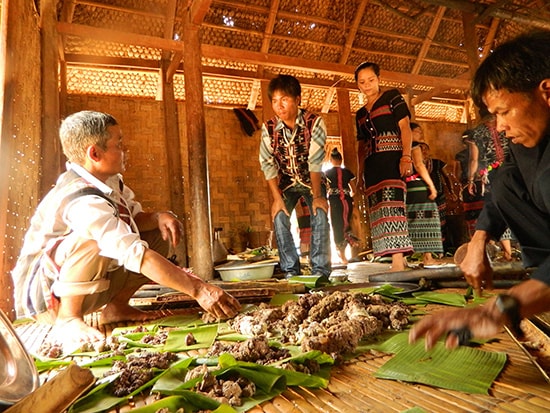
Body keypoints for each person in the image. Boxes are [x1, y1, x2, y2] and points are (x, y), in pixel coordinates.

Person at [11, 110, 241, 350]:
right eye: (118, 144)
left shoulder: (109, 181)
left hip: (87, 284)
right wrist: (198, 289)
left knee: (156, 235)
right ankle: (69, 318)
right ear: (95, 153)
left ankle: (116, 307)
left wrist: (158, 217)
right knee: (94, 240)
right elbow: (133, 253)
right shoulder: (82, 200)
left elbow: (132, 220)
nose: (125, 149)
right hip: (47, 298)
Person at [409, 30, 550, 350]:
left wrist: (502, 307)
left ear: (546, 92)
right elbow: (505, 178)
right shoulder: (529, 140)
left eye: (503, 111)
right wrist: (478, 240)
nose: (498, 127)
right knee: (502, 180)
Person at [259, 74, 331, 278]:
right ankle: (291, 271)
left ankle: (320, 271)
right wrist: (276, 199)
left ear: (297, 99)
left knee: (320, 214)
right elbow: (267, 164)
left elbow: (315, 162)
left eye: (284, 99)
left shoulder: (314, 122)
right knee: (279, 216)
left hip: (312, 182)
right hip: (286, 185)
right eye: (274, 101)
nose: (279, 106)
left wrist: (317, 196)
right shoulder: (269, 128)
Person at [355, 62, 414, 272]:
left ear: (379, 79)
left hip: (392, 160)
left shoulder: (392, 97)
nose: (367, 85)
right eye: (362, 82)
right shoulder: (360, 114)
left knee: (393, 204)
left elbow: (405, 127)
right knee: (379, 210)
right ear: (358, 85)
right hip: (372, 166)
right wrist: (360, 174)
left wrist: (406, 156)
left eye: (371, 80)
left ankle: (398, 259)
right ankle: (398, 258)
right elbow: (361, 146)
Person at [465, 113, 515, 261]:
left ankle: (507, 252)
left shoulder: (477, 133)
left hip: (491, 174)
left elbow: (474, 159)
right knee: (509, 207)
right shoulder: (508, 127)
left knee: (496, 207)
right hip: (512, 172)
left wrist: (471, 180)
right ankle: (508, 252)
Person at [407, 123, 444, 267]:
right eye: (417, 131)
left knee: (411, 220)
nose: (420, 134)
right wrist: (431, 185)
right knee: (429, 218)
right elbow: (419, 165)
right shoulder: (414, 146)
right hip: (417, 185)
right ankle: (428, 258)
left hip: (407, 188)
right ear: (408, 132)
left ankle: (404, 257)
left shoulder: (399, 148)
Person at [325, 148, 358, 264]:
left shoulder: (327, 174)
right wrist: (348, 195)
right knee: (346, 223)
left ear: (330, 160)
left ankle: (343, 256)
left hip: (335, 202)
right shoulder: (348, 172)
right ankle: (346, 252)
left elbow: (325, 188)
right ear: (341, 159)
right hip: (347, 201)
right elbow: (354, 189)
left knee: (337, 225)